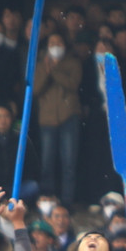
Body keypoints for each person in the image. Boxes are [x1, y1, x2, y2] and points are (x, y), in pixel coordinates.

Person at [35, 32, 82, 207]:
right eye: (52, 42)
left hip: (68, 117)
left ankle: (67, 201)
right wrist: (46, 71)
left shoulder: (73, 63)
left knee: (69, 162)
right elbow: (35, 89)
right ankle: (48, 200)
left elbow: (72, 84)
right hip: (47, 119)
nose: (55, 46)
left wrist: (53, 70)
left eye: (59, 42)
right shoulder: (40, 65)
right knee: (47, 162)